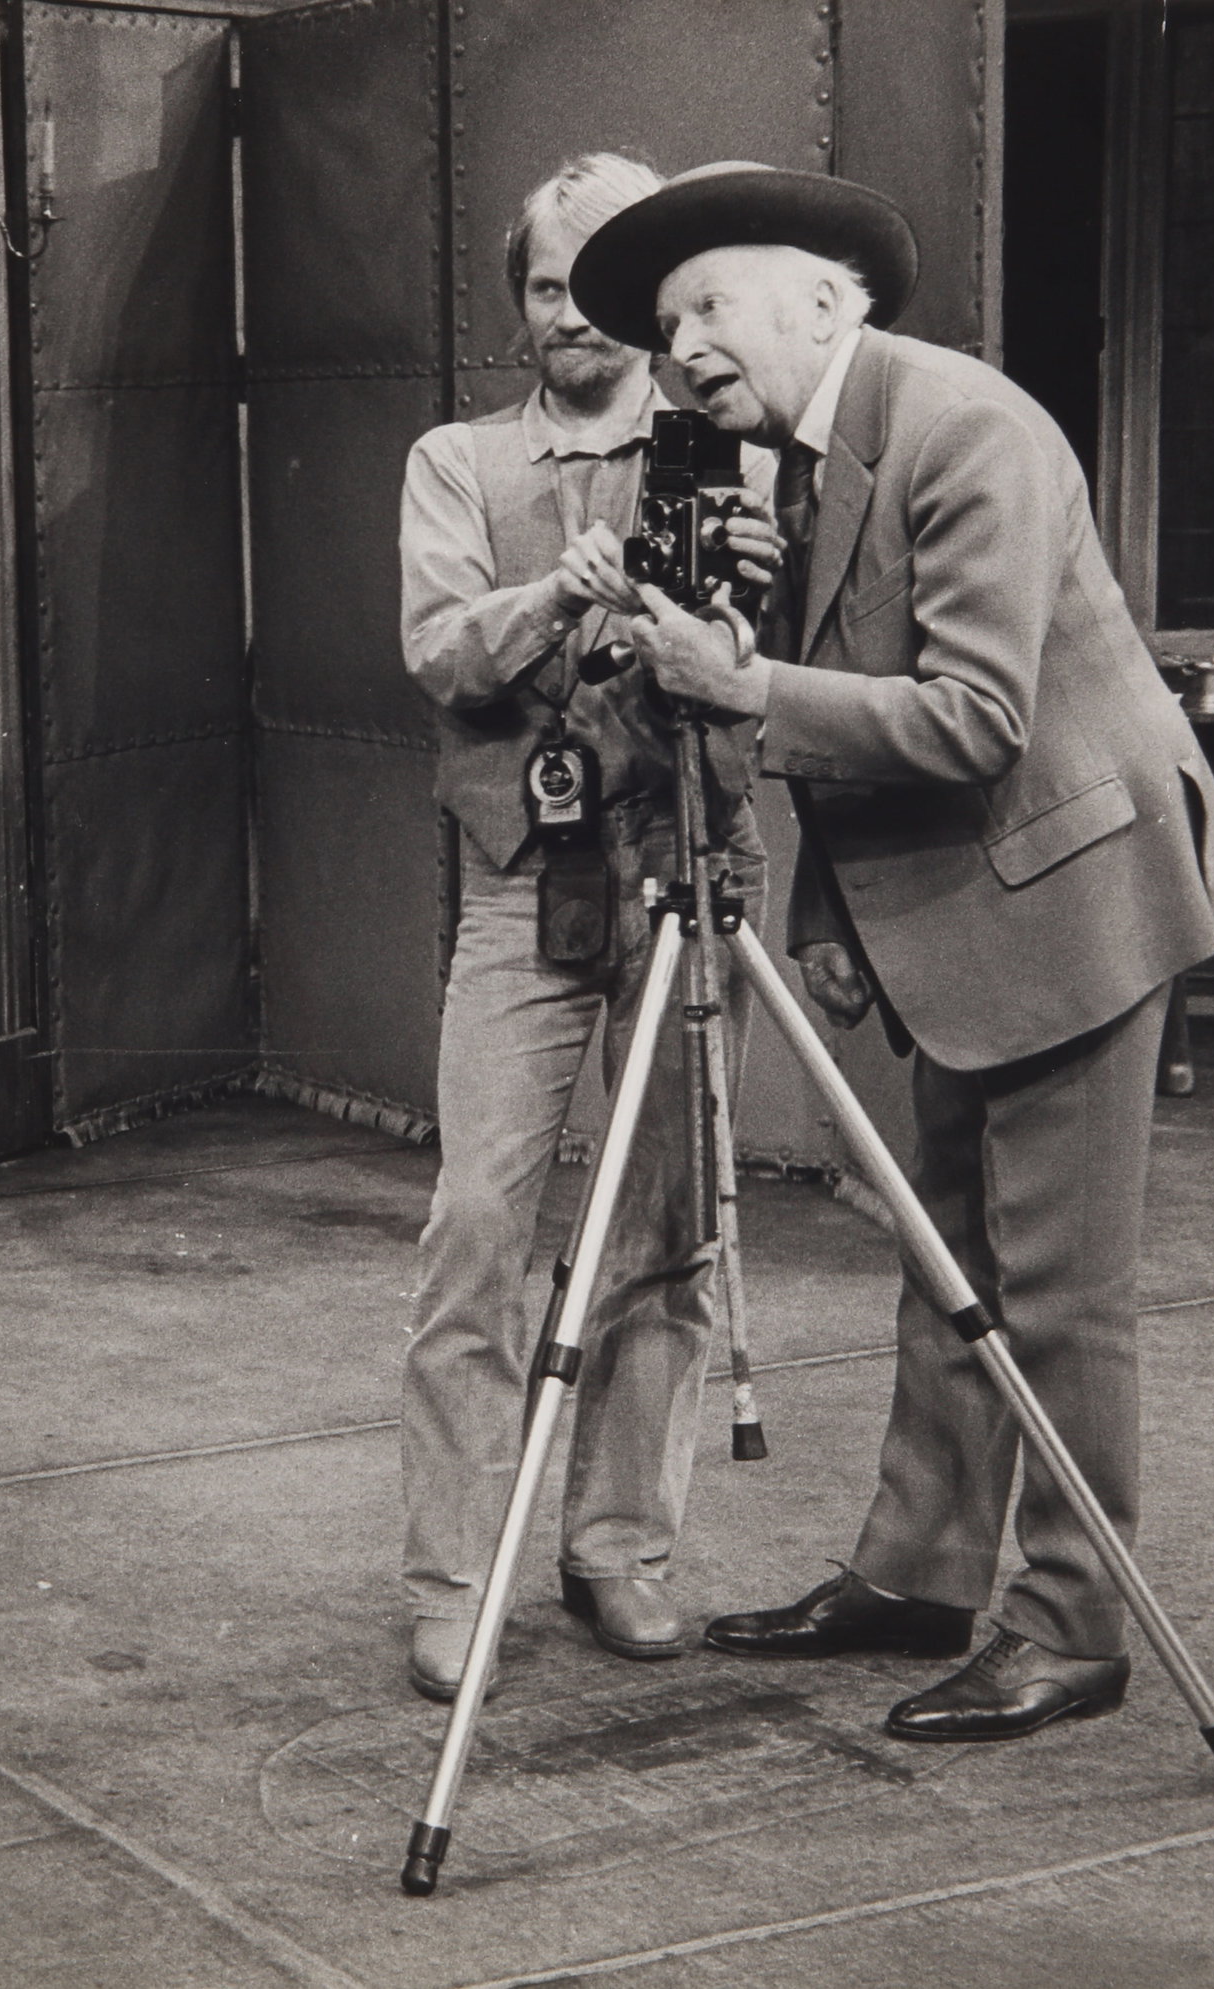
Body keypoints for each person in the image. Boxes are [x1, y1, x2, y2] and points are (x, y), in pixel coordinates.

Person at [568, 164, 1214, 1743]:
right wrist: (825, 910)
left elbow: (974, 718)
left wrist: (739, 687)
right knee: (949, 1257)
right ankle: (922, 1572)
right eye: (666, 325)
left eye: (710, 305)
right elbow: (836, 698)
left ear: (826, 301)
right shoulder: (799, 461)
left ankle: (1073, 1625)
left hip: (1076, 898)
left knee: (1058, 1291)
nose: (683, 348)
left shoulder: (964, 429)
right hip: (968, 912)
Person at [397, 154, 779, 1701]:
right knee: (477, 1228)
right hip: (524, 880)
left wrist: (739, 595)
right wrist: (556, 596)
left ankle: (619, 1545)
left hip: (686, 859)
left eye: (597, 286)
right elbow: (440, 654)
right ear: (519, 303)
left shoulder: (722, 452)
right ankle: (453, 1577)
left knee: (666, 1226)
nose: (571, 314)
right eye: (546, 286)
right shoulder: (458, 461)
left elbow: (766, 672)